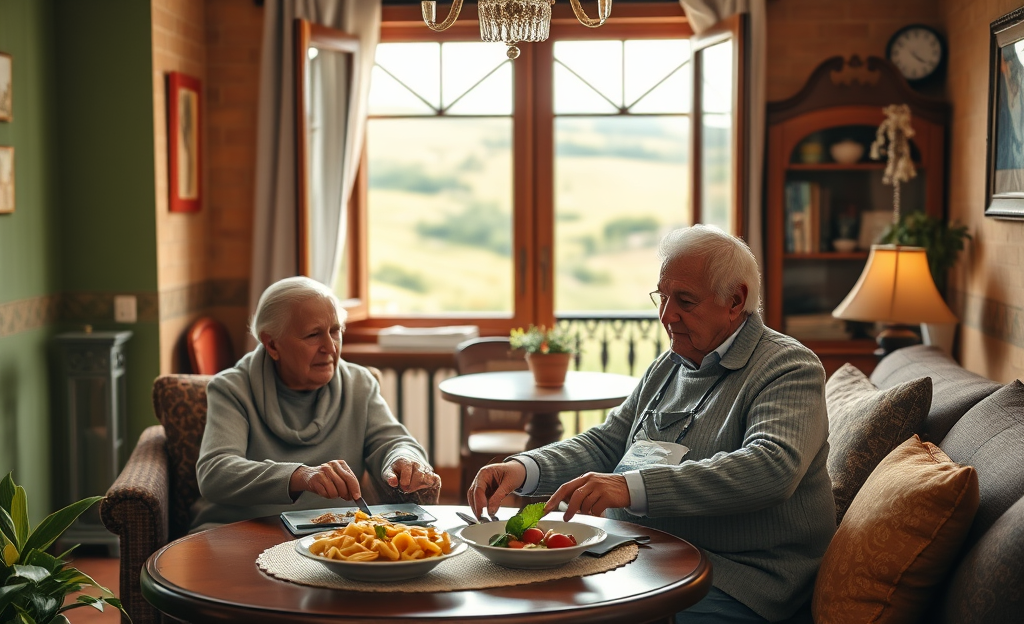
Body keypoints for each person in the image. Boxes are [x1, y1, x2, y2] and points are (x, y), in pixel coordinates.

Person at [469, 225, 835, 623]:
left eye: (685, 301)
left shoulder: (788, 367)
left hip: (738, 578)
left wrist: (628, 487)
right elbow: (607, 443)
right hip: (644, 554)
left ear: (735, 301)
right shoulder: (670, 364)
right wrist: (522, 468)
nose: (666, 315)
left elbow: (772, 468)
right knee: (508, 594)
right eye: (662, 297)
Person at [190, 276, 439, 531]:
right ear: (272, 344)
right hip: (241, 530)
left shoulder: (359, 384)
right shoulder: (232, 389)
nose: (330, 347)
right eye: (313, 335)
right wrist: (300, 476)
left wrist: (404, 459)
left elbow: (393, 441)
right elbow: (215, 472)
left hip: (331, 533)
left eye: (335, 331)